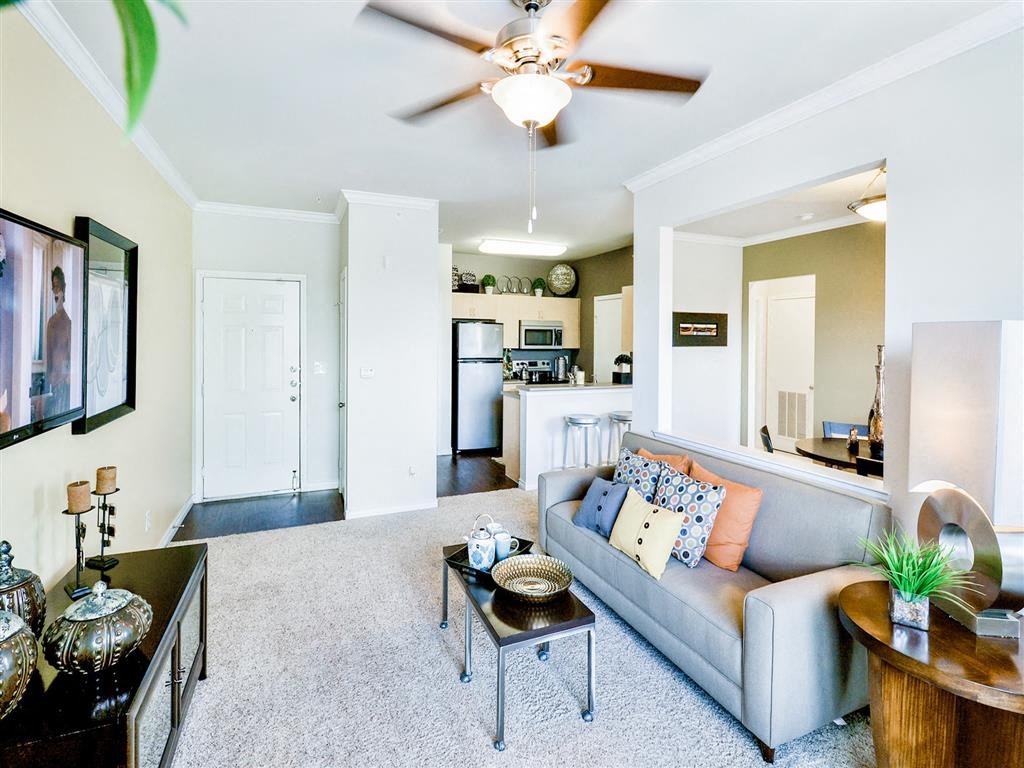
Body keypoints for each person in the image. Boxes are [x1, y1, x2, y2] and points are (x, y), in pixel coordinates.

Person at [45, 265, 71, 416]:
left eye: (59, 286)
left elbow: (69, 351)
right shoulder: (51, 322)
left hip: (65, 379)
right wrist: (50, 374)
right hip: (54, 377)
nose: (56, 290)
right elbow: (49, 351)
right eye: (54, 286)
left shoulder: (68, 322)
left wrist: (67, 375)